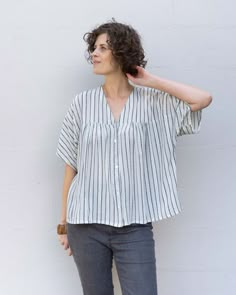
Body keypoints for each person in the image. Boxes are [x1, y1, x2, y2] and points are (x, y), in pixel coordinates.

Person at [56, 20, 212, 295]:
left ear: (122, 52)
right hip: (85, 225)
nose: (94, 52)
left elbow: (202, 99)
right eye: (94, 47)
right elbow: (72, 166)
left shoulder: (153, 103)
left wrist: (150, 80)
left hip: (134, 227)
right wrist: (63, 224)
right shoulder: (82, 104)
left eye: (103, 47)